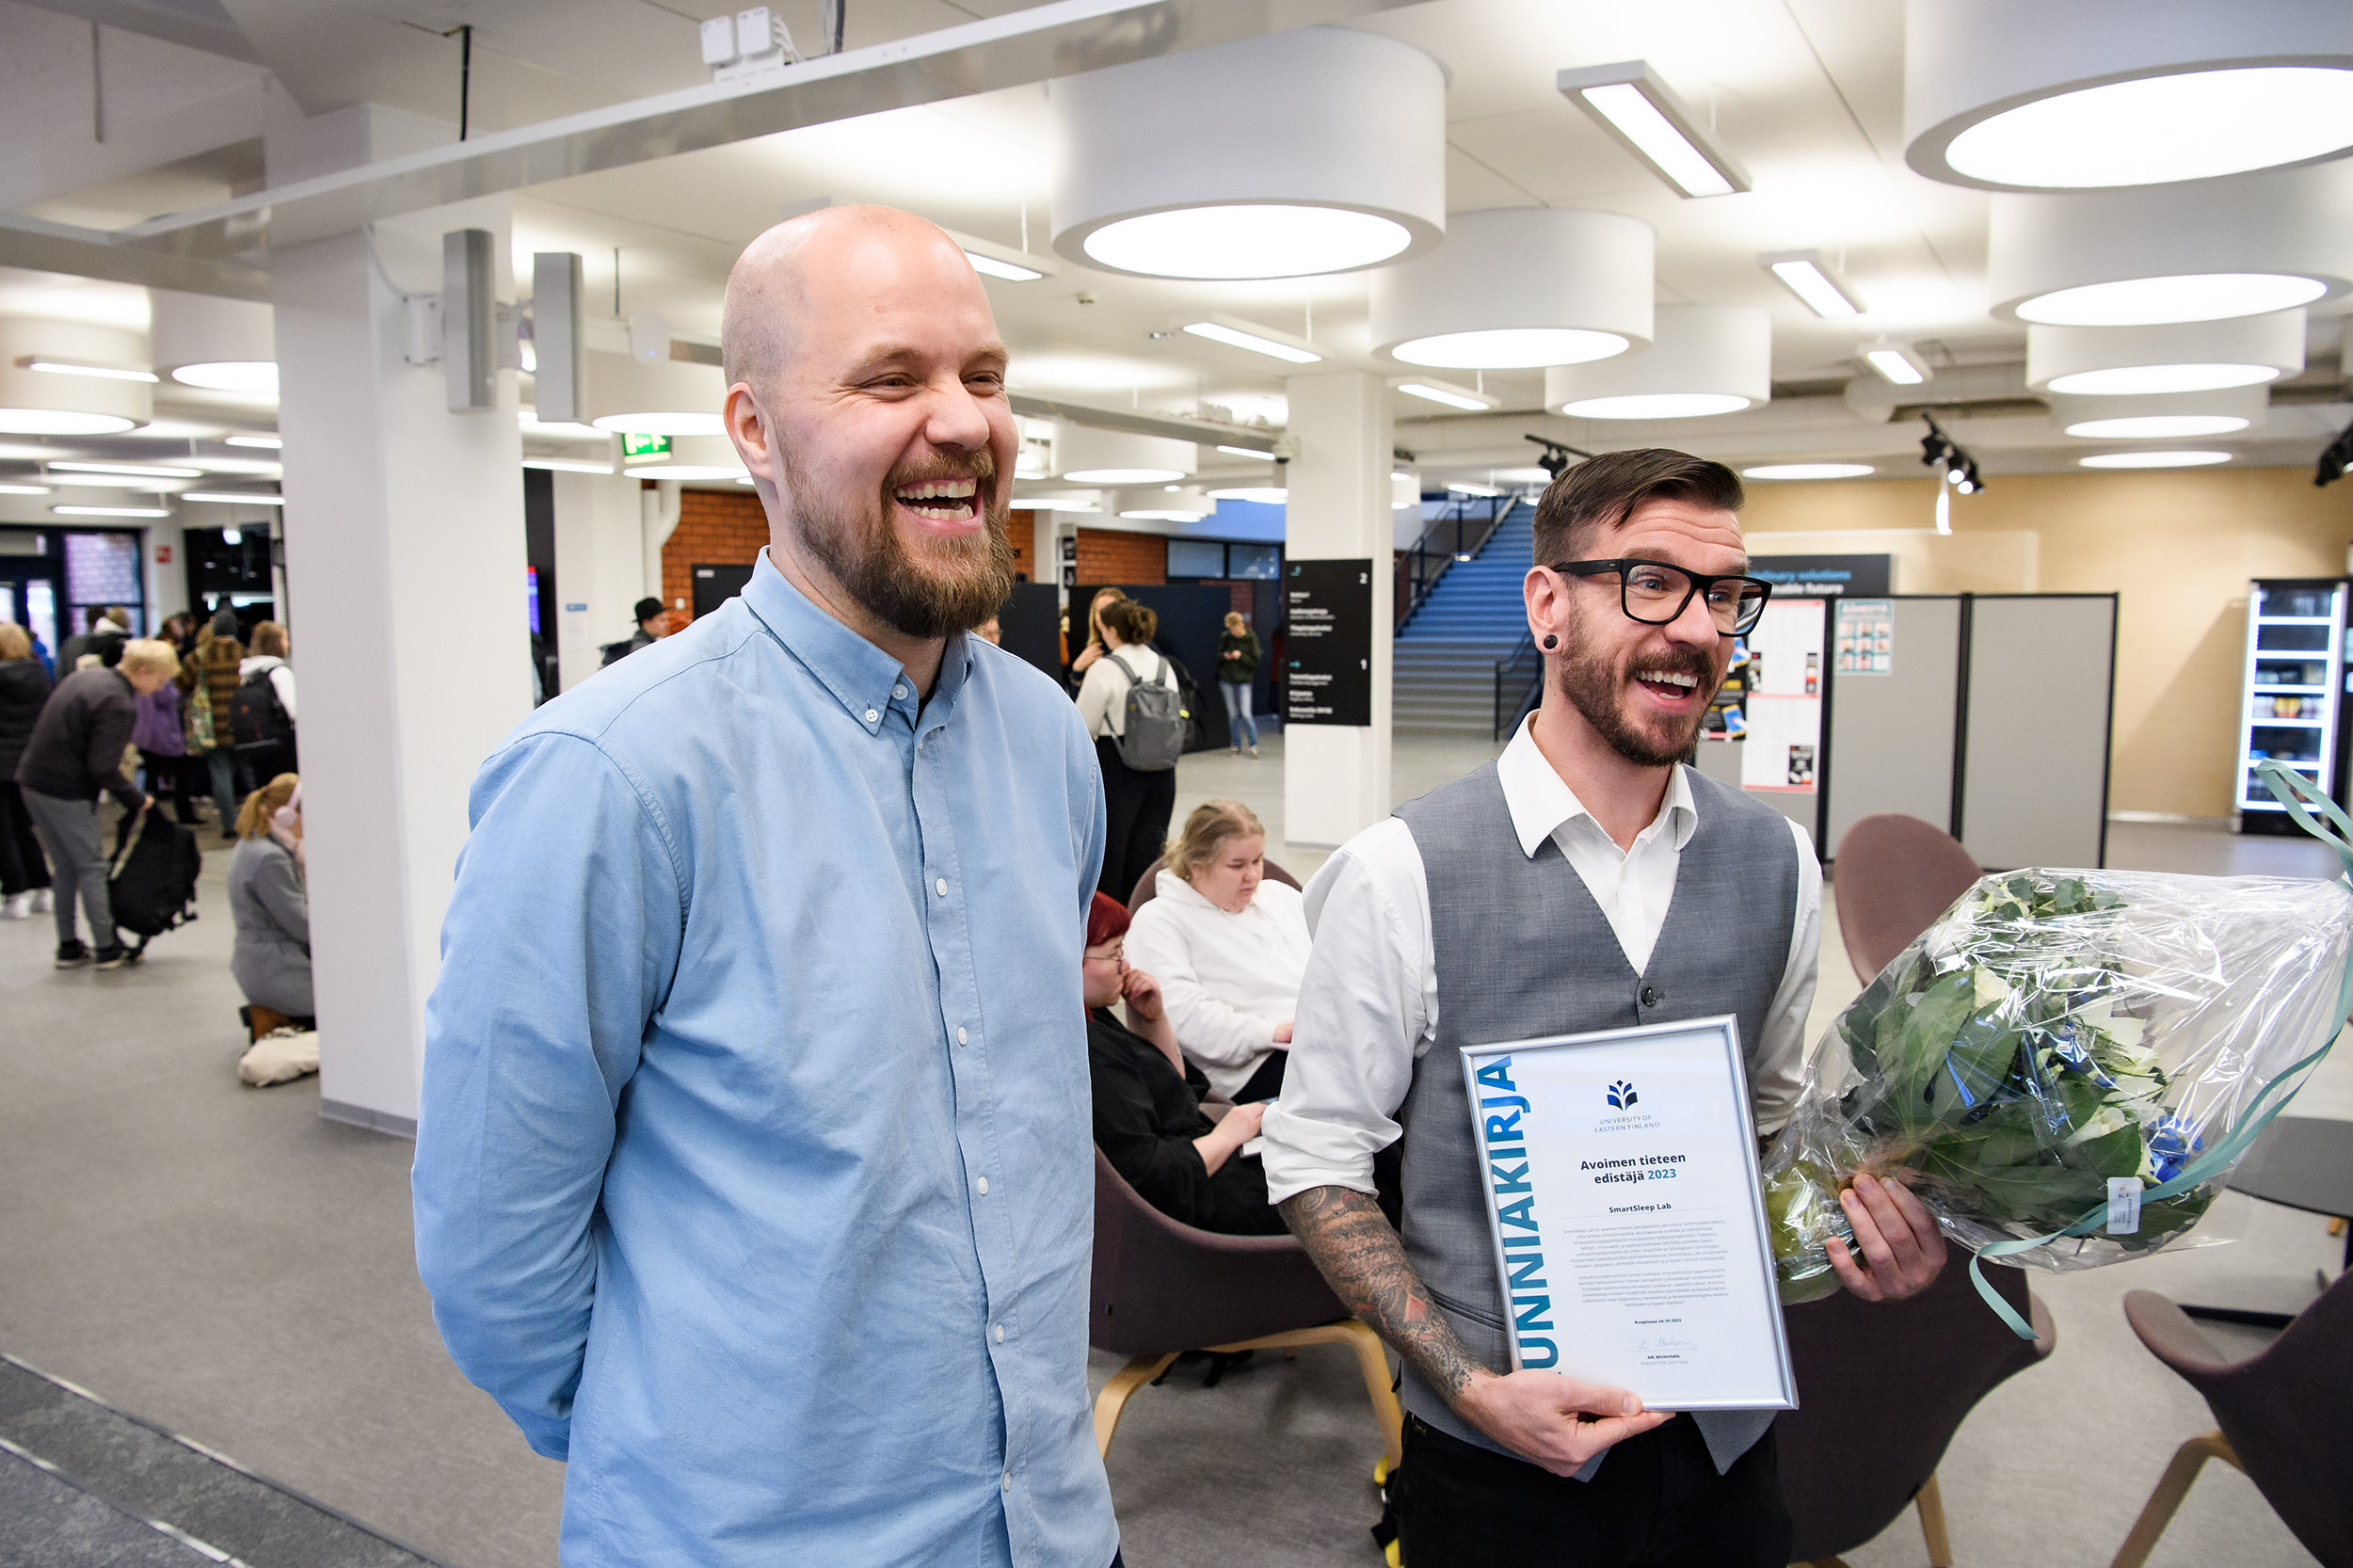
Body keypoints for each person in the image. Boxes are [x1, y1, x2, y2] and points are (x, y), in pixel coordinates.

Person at [413, 205, 1120, 1568]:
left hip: (1044, 1522)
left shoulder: (1046, 742)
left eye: (983, 374)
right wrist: (685, 1438)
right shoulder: (610, 779)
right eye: (890, 377)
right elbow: (498, 1246)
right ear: (752, 430)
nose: (964, 421)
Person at [1260, 449, 1947, 1568]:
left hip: (1725, 1453)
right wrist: (1469, 1387)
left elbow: (1771, 1132)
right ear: (1546, 605)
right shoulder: (1401, 869)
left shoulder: (1775, 861)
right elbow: (1316, 1160)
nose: (1695, 627)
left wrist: (1867, 1235)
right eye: (1650, 582)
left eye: (1724, 595)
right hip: (1496, 1470)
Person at [1085, 892, 1283, 1236]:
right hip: (1200, 1208)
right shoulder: (1088, 1055)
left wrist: (1152, 1018)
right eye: (1114, 953)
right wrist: (1227, 1135)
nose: (1126, 966)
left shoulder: (1095, 1018)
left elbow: (1171, 1089)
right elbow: (1152, 1175)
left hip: (1204, 1167)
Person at [1123, 799, 1306, 1104]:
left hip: (1313, 1038)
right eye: (1237, 865)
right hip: (1249, 1064)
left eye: (1258, 860)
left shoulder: (1280, 897)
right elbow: (1183, 1018)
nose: (1253, 876)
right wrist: (1271, 1033)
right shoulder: (1159, 921)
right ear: (1196, 865)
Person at [14, 637, 177, 969]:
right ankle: (106, 947)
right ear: (142, 671)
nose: (159, 688)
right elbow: (103, 766)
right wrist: (137, 799)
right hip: (64, 788)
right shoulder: (118, 703)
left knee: (66, 867)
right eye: (159, 680)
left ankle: (69, 946)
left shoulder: (85, 676)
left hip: (33, 780)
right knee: (90, 866)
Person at [1076, 595, 1180, 902]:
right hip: (1163, 770)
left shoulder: (1106, 668)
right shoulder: (1164, 666)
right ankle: (1143, 915)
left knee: (1113, 850)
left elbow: (1084, 725)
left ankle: (1113, 924)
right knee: (1150, 847)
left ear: (1110, 630)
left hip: (1118, 767)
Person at [228, 773, 312, 1029]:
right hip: (275, 970)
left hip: (263, 963)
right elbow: (302, 925)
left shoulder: (256, 842)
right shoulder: (270, 859)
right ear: (288, 816)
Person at [0, 623, 55, 920]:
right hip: (29, 761)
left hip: (2, 762)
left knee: (4, 831)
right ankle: (42, 886)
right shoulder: (39, 676)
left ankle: (15, 892)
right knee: (25, 827)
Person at [132, 655, 200, 824]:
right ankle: (183, 814)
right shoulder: (161, 682)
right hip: (166, 733)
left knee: (152, 774)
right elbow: (168, 698)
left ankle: (151, 815)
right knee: (182, 773)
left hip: (148, 734)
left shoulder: (140, 682)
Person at [196, 612, 246, 840]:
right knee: (248, 772)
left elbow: (182, 681)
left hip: (212, 725)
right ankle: (255, 820)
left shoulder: (201, 656)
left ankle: (229, 824)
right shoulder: (243, 654)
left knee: (220, 774)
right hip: (242, 723)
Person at [232, 620, 296, 792]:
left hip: (254, 744)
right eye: (284, 639)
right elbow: (294, 710)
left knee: (265, 793)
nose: (287, 643)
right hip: (281, 745)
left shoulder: (248, 675)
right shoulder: (280, 672)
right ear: (275, 642)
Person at [1217, 610, 1261, 756]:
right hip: (1227, 680)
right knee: (1232, 715)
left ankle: (1253, 745)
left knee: (1246, 714)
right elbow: (1218, 655)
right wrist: (1225, 656)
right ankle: (1236, 744)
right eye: (1231, 629)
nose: (1233, 632)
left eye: (1235, 629)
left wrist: (1241, 656)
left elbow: (1255, 661)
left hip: (1244, 681)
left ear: (1242, 624)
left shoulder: (1250, 638)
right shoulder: (1226, 637)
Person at [1066, 584, 1127, 686]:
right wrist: (1077, 669)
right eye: (1101, 611)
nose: (1105, 616)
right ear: (1094, 618)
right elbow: (1077, 700)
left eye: (1110, 610)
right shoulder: (1093, 651)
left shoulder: (1140, 648)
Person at [600, 597, 671, 666]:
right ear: (646, 623)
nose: (668, 623)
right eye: (662, 620)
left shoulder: (645, 645)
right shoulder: (642, 649)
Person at [57, 604, 129, 671]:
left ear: (87, 620)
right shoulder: (113, 643)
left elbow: (60, 671)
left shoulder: (69, 643)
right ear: (105, 619)